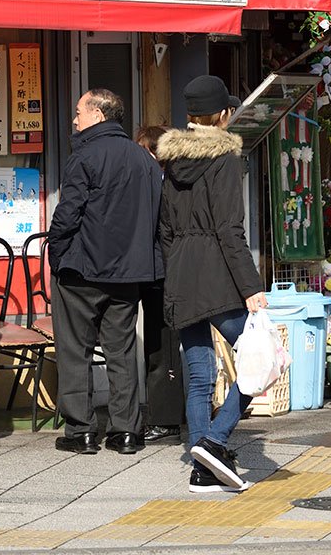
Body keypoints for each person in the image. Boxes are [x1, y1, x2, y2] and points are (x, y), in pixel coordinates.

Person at [156, 75, 267, 493]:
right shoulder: (224, 159)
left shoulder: (171, 163)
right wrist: (251, 286)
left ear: (190, 116)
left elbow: (164, 230)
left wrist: (178, 268)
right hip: (219, 276)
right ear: (223, 115)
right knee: (264, 359)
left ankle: (201, 468)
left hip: (182, 275)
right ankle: (215, 440)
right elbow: (229, 230)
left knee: (199, 373)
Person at [47, 89, 163, 456]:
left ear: (97, 114)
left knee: (74, 350)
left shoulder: (84, 155)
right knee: (122, 351)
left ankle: (81, 430)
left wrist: (56, 251)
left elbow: (68, 213)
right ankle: (125, 431)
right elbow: (155, 216)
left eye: (79, 111)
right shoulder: (143, 159)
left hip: (82, 270)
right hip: (128, 274)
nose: (75, 119)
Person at [135, 123, 184, 445]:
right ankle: (166, 415)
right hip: (161, 271)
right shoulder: (168, 182)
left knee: (163, 345)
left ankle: (166, 421)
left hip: (165, 273)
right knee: (160, 343)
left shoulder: (166, 185)